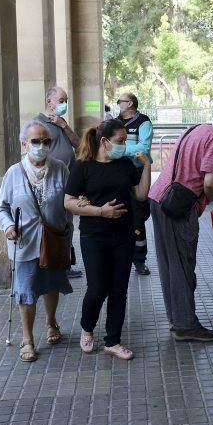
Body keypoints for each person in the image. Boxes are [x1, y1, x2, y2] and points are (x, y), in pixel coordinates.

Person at [148, 121, 213, 342]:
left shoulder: (198, 129)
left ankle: (177, 318)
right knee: (182, 266)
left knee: (169, 264)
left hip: (159, 197)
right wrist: (212, 197)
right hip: (177, 205)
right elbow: (211, 183)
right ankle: (185, 325)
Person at [63, 119, 152, 360]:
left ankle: (113, 341)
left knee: (119, 290)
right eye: (120, 141)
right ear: (104, 141)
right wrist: (101, 211)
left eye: (125, 140)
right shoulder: (83, 167)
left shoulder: (124, 164)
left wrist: (146, 167)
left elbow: (141, 195)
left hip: (123, 235)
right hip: (94, 236)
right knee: (97, 288)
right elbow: (69, 202)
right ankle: (87, 327)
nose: (125, 145)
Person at [0, 120, 73, 362]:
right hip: (25, 243)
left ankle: (51, 323)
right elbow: (0, 208)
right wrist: (8, 226)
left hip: (55, 240)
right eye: (35, 141)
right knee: (25, 290)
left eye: (46, 141)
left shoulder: (60, 169)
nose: (41, 146)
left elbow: (70, 202)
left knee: (51, 284)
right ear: (24, 143)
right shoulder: (13, 173)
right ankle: (27, 339)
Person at [36, 86, 83, 278]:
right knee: (53, 222)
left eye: (66, 101)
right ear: (49, 102)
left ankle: (65, 263)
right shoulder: (39, 123)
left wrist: (64, 125)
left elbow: (78, 144)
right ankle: (50, 263)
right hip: (50, 182)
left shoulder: (61, 122)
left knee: (67, 222)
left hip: (67, 181)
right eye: (61, 100)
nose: (64, 104)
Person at [115, 93, 154, 276]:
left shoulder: (144, 122)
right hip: (118, 174)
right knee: (119, 213)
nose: (118, 104)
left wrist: (119, 149)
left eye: (120, 101)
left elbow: (143, 149)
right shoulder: (114, 122)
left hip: (138, 174)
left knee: (138, 216)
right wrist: (128, 151)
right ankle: (120, 256)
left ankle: (139, 259)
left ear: (129, 103)